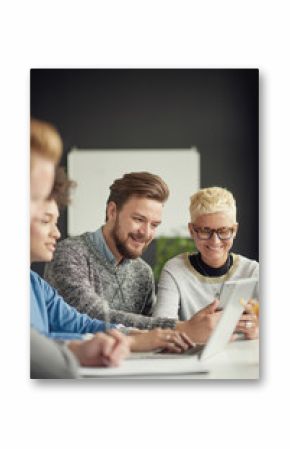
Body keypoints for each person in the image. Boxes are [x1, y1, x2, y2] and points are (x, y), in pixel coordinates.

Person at [32, 167, 194, 353]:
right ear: (112, 211)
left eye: (154, 225)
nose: (147, 232)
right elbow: (92, 316)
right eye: (139, 219)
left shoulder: (143, 272)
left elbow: (151, 332)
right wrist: (180, 327)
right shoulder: (69, 254)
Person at [30, 119, 130, 378]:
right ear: (111, 212)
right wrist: (75, 349)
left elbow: (73, 326)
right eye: (33, 199)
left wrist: (135, 335)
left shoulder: (35, 284)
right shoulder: (71, 253)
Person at [152, 186, 259, 340]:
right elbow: (160, 328)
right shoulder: (174, 270)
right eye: (204, 231)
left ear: (234, 230)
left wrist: (260, 330)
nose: (215, 241)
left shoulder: (253, 271)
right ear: (191, 230)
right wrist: (194, 330)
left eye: (223, 231)